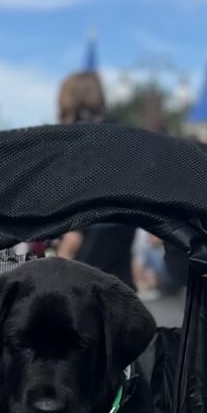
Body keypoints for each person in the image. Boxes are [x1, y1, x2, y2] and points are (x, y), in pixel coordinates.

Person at [53, 68, 134, 287]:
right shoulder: (122, 136)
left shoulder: (72, 139)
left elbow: (75, 192)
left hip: (84, 244)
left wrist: (70, 238)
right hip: (120, 243)